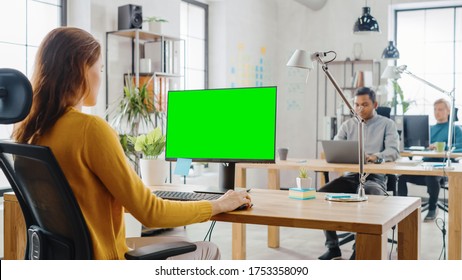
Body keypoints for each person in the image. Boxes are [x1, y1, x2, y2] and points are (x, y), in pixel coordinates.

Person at [12, 27, 252, 260]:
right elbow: (151, 213)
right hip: (106, 262)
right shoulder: (89, 129)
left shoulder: (28, 131)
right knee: (208, 249)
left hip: (66, 261)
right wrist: (219, 204)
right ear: (82, 69)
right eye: (100, 68)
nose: (101, 75)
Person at [317, 87, 400, 260]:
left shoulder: (387, 124)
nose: (360, 109)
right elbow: (336, 145)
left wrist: (375, 156)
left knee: (368, 194)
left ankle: (358, 248)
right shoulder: (348, 125)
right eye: (356, 105)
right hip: (351, 176)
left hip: (374, 178)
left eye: (365, 105)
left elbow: (393, 151)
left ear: (375, 105)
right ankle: (333, 248)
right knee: (322, 194)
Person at [397, 98, 462, 221]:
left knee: (431, 175)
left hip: (442, 168)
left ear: (448, 111)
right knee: (401, 177)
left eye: (441, 109)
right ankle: (402, 209)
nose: (437, 112)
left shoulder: (455, 129)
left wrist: (442, 146)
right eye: (435, 110)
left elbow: (460, 147)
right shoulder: (429, 129)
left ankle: (432, 208)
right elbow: (422, 147)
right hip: (425, 165)